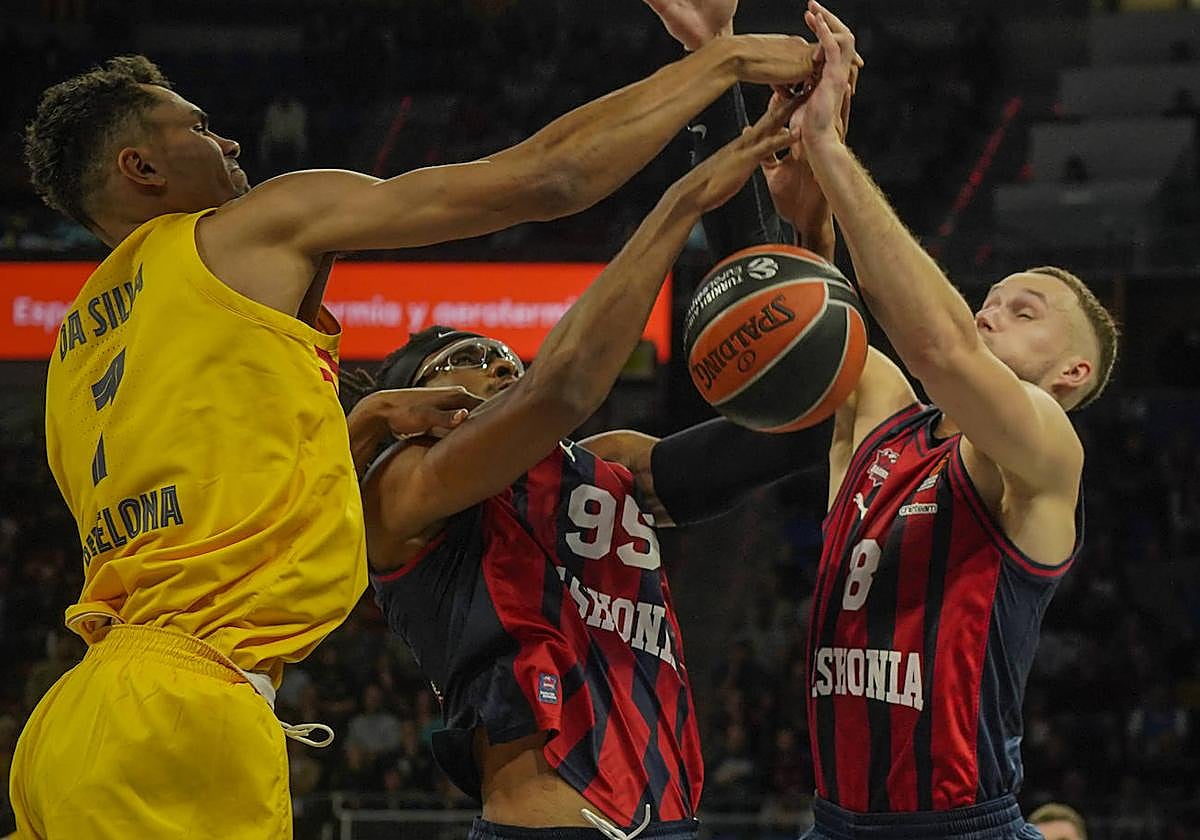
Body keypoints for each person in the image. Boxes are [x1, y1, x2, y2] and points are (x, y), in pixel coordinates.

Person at [11, 32, 818, 840]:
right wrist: (722, 66)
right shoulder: (247, 233)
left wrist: (362, 420)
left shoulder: (77, 350)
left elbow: (228, 488)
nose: (228, 142)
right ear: (142, 167)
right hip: (182, 712)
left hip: (82, 718)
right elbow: (549, 179)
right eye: (196, 126)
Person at [349, 92, 830, 840]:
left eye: (507, 356)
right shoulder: (404, 486)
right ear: (416, 398)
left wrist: (805, 220)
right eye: (470, 359)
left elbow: (792, 426)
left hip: (672, 821)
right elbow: (562, 387)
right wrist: (682, 203)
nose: (502, 364)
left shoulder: (605, 464)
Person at [781, 3, 1118, 838]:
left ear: (1072, 372)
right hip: (832, 821)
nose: (990, 310)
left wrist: (833, 151)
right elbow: (803, 329)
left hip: (961, 825)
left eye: (1025, 310)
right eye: (990, 298)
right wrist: (805, 199)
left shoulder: (1047, 446)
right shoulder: (887, 421)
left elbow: (940, 350)